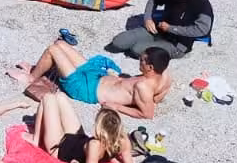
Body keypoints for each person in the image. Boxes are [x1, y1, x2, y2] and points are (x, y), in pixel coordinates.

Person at [16, 37, 172, 119]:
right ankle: (38, 69)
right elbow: (157, 97)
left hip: (86, 89)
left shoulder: (143, 87)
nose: (139, 61)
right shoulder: (164, 75)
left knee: (53, 50)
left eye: (142, 60)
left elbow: (147, 114)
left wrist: (117, 106)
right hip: (98, 76)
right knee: (60, 44)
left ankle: (31, 77)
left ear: (151, 67)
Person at [28, 92, 134, 163]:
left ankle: (36, 139)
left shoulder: (94, 145)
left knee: (48, 97)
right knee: (60, 96)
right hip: (78, 138)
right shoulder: (123, 140)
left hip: (59, 147)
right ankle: (43, 129)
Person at [107, 0, 213, 59]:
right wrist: (148, 19)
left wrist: (172, 29)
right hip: (159, 30)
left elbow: (203, 30)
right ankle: (148, 42)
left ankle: (150, 46)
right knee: (118, 42)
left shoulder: (202, 4)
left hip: (178, 44)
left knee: (137, 50)